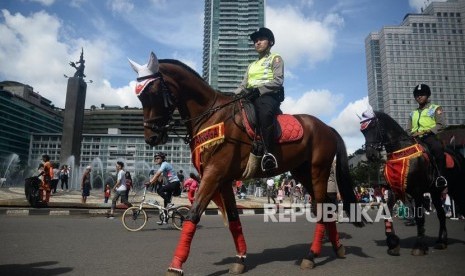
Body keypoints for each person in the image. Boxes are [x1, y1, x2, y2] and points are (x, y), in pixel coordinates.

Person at [234, 27, 284, 171]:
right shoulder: (251, 66)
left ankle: (268, 154)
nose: (257, 42)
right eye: (256, 40)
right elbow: (243, 86)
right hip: (250, 96)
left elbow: (278, 81)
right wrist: (229, 96)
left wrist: (259, 90)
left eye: (261, 39)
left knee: (265, 113)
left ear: (270, 42)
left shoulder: (276, 58)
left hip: (268, 96)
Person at [407, 83, 447, 186]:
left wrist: (427, 131)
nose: (419, 96)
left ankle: (440, 176)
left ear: (428, 95)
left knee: (437, 149)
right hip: (415, 139)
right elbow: (408, 129)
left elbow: (441, 124)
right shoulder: (412, 113)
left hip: (430, 137)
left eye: (422, 94)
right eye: (417, 95)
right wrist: (411, 134)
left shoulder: (436, 108)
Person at [148, 152, 181, 224]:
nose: (156, 160)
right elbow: (160, 178)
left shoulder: (164, 164)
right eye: (155, 158)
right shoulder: (162, 166)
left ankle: (170, 204)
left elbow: (157, 174)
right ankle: (165, 220)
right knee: (165, 203)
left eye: (158, 158)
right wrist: (153, 183)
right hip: (172, 184)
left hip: (175, 183)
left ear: (162, 159)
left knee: (159, 190)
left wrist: (150, 182)